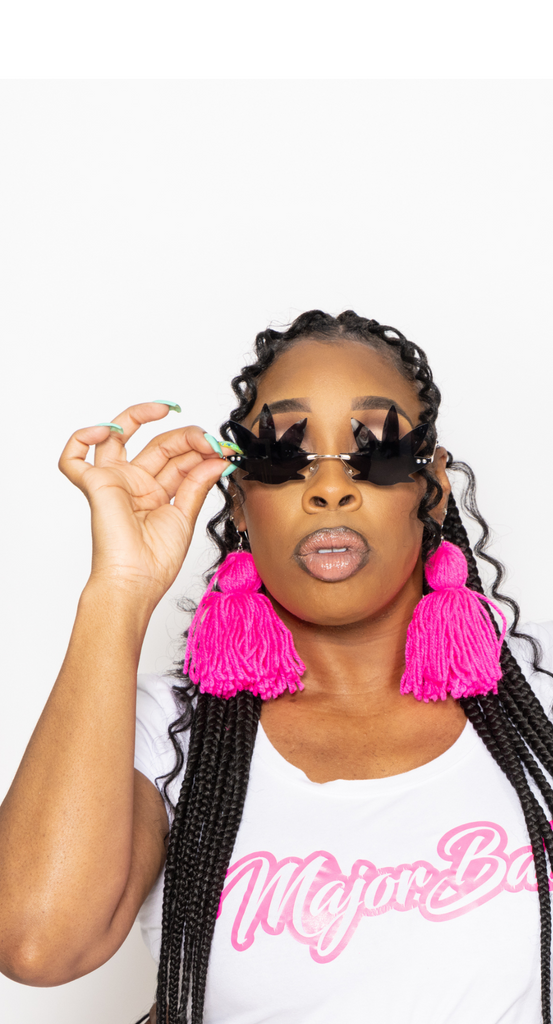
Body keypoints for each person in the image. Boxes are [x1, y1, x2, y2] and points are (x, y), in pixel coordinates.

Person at [0, 309, 552, 1024]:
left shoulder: (539, 701)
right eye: (284, 456)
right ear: (239, 498)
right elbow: (36, 945)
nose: (330, 489)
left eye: (375, 450)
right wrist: (120, 592)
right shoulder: (167, 733)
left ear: (433, 488)